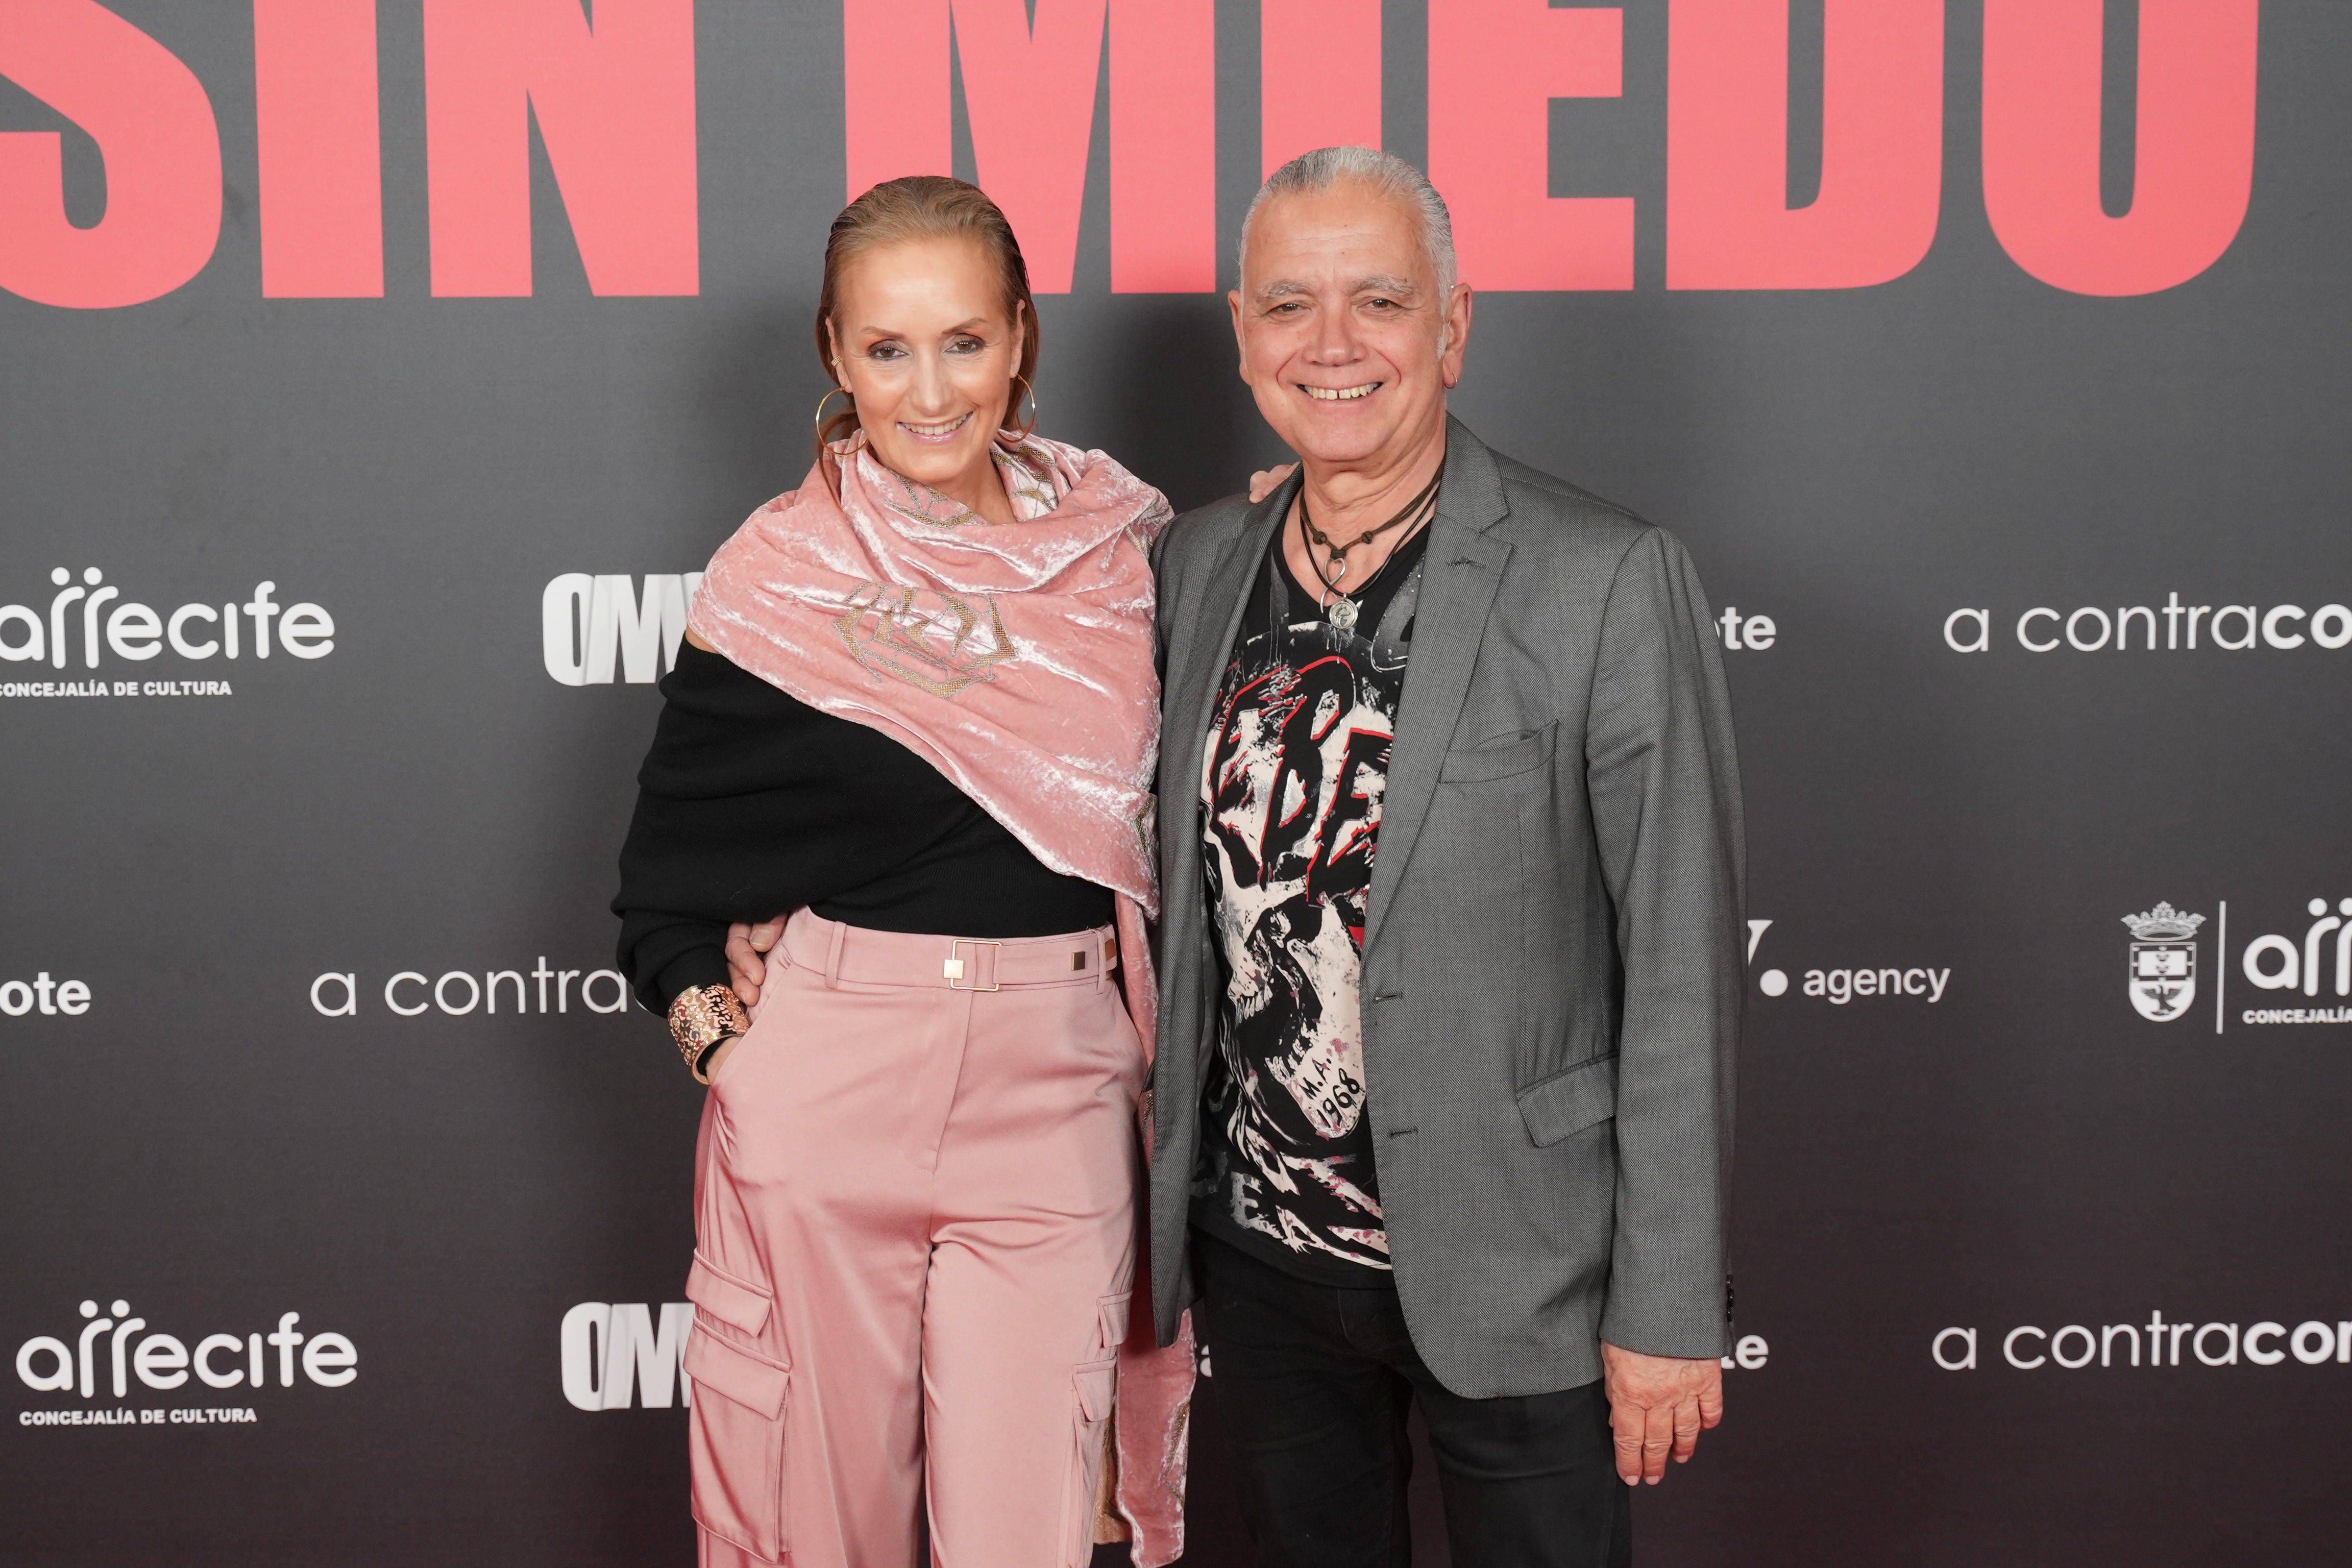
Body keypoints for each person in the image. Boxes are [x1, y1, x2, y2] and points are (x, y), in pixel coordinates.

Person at [1148, 147, 1744, 1566]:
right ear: (1243, 337)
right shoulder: (1192, 565)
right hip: (1266, 1263)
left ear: (1454, 329)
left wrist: (1669, 1307)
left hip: (1524, 1260)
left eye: (1381, 302)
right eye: (1290, 306)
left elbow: (1680, 962)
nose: (1334, 345)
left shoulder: (1604, 575)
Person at [611, 175, 1189, 1568]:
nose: (931, 390)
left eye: (965, 342)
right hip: (830, 1084)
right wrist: (731, 1054)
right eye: (888, 349)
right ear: (835, 355)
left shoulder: (1119, 555)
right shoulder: (779, 577)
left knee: (1034, 1539)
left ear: (1021, 340)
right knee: (817, 1540)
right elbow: (661, 893)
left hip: (1059, 1090)